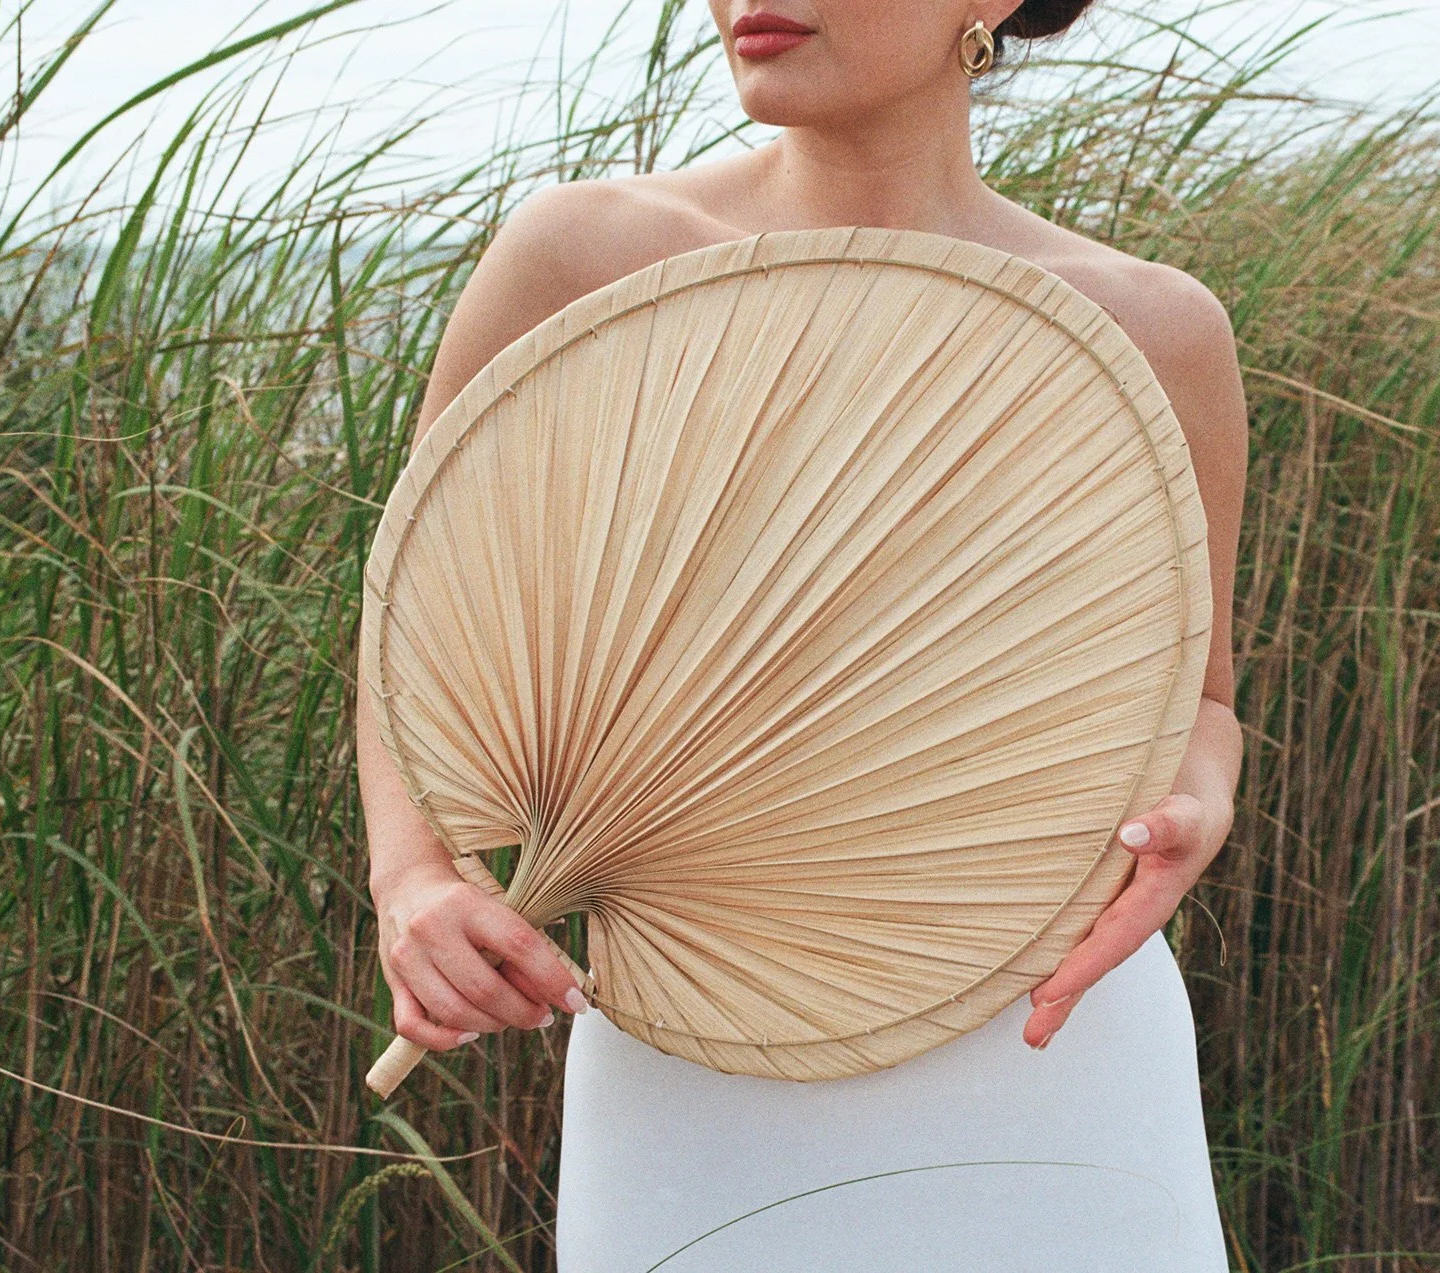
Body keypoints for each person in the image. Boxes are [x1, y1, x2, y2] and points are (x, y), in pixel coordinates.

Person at [358, 2, 1249, 1267]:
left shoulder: (1152, 330)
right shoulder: (587, 260)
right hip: (696, 1069)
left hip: (1056, 1055)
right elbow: (412, 610)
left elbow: (1201, 699)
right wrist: (415, 879)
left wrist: (1195, 807)